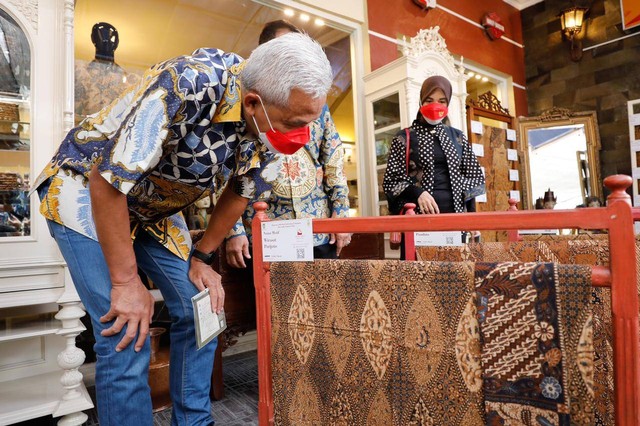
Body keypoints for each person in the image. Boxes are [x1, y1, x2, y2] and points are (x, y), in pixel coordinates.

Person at [31, 32, 332, 426]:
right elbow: (106, 182)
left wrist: (203, 256)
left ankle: (193, 421)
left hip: (153, 206)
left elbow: (242, 192)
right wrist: (125, 283)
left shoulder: (272, 117)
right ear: (253, 102)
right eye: (295, 123)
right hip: (85, 188)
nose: (303, 135)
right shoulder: (186, 84)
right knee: (125, 330)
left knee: (202, 307)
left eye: (311, 121)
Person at [223, 20, 351, 268]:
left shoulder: (317, 105)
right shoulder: (245, 105)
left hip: (318, 228)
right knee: (272, 304)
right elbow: (224, 172)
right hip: (266, 230)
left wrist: (341, 213)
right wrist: (234, 230)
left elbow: (334, 159)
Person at [382, 75, 485, 254]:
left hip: (455, 219)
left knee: (453, 273)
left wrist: (471, 216)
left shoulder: (458, 137)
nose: (435, 105)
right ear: (421, 101)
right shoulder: (404, 137)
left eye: (442, 101)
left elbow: (475, 178)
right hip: (417, 219)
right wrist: (418, 192)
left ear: (448, 103)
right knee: (419, 274)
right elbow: (391, 181)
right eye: (429, 100)